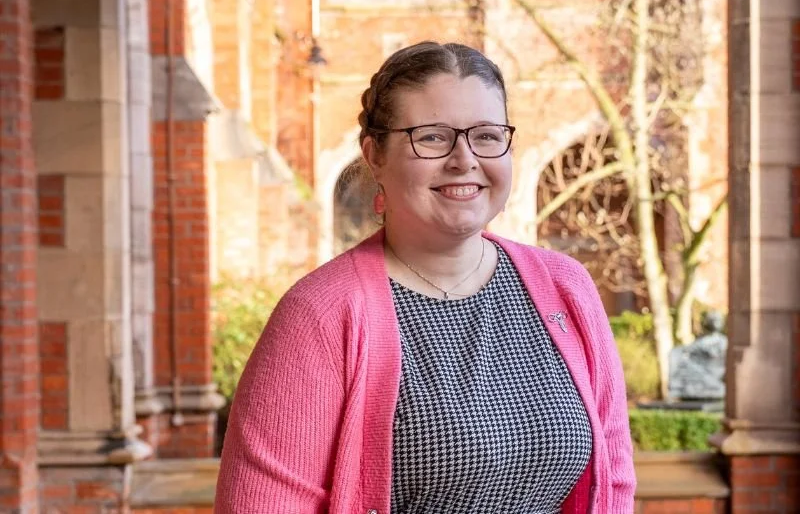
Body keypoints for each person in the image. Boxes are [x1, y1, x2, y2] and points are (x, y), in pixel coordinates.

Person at [215, 41, 635, 514]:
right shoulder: (320, 314)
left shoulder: (566, 287)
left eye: (487, 136)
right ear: (375, 155)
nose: (465, 159)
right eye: (433, 137)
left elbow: (613, 479)